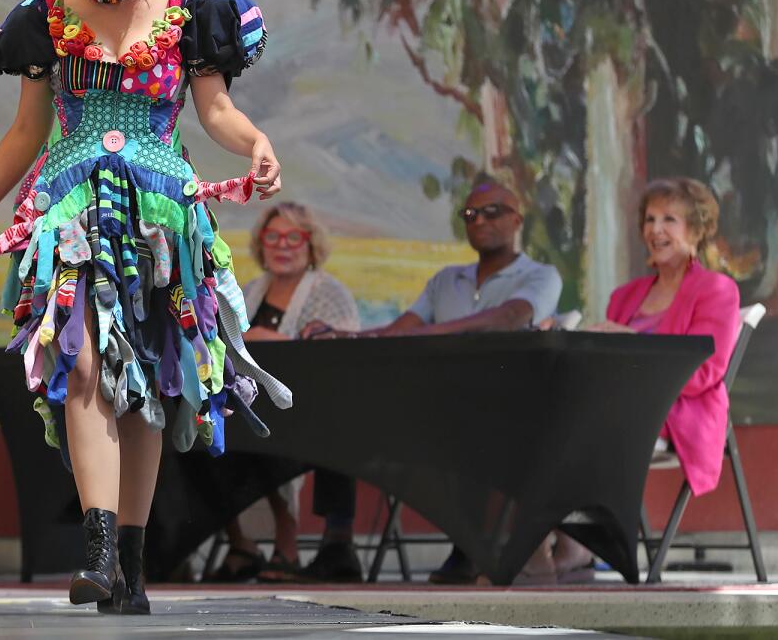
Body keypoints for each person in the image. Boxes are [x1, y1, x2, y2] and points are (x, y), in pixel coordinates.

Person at [0, 0, 287, 616]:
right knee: (84, 364)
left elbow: (218, 113)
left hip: (163, 210)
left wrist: (257, 145)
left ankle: (130, 564)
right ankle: (98, 550)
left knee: (153, 382)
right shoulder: (46, 20)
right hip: (73, 208)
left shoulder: (190, 11)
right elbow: (26, 131)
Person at [304, 179, 562, 584]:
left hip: (502, 411)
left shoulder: (541, 276)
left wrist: (432, 332)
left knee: (474, 425)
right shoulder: (446, 280)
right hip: (431, 404)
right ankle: (338, 542)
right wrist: (346, 336)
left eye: (492, 211)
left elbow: (508, 319)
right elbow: (399, 329)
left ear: (516, 219)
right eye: (470, 214)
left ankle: (468, 551)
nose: (479, 220)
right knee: (340, 411)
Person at [209, 202, 359, 583]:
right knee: (208, 432)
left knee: (273, 437)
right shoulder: (250, 292)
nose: (282, 245)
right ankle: (241, 544)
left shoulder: (329, 293)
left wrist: (269, 339)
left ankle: (289, 543)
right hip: (252, 405)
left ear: (311, 245)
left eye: (294, 237)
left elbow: (339, 353)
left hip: (311, 410)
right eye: (272, 237)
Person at [598, 177, 740, 497]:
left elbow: (704, 371)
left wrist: (631, 340)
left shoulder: (716, 290)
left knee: (566, 440)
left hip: (673, 415)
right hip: (613, 408)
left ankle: (573, 542)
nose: (655, 230)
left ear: (695, 229)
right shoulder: (623, 296)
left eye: (668, 220)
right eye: (650, 219)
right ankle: (557, 542)